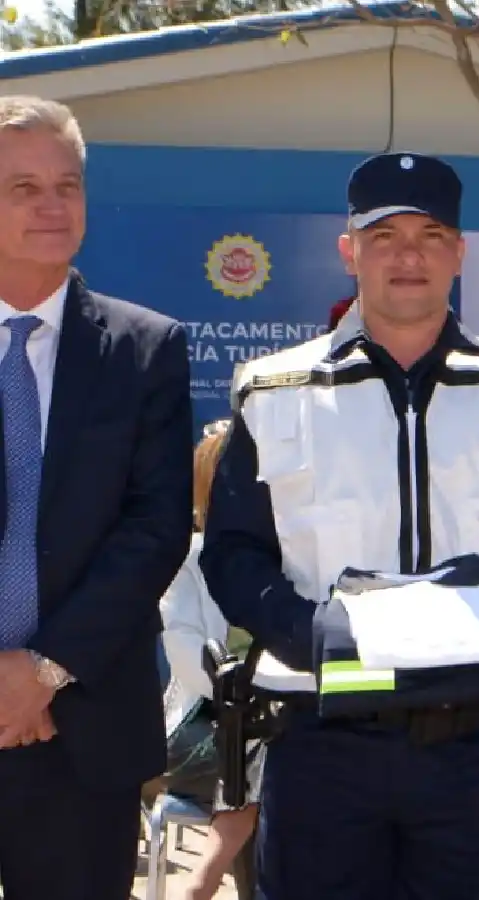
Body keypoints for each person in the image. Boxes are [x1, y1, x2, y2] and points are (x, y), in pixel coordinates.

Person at [200, 150, 479, 900]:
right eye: (384, 236)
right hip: (320, 742)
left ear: (459, 253)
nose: (408, 255)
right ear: (350, 251)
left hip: (470, 750)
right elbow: (234, 554)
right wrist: (316, 636)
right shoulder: (273, 391)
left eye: (430, 234)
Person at [0, 96, 193, 900]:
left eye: (67, 185)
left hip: (85, 730)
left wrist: (40, 671)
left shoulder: (146, 349)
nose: (52, 205)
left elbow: (153, 530)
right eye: (22, 187)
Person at [159, 418, 261, 900]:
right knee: (267, 746)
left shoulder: (284, 558)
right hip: (201, 726)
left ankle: (204, 879)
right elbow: (188, 663)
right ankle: (206, 879)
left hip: (265, 727)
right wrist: (252, 698)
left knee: (280, 745)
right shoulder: (187, 560)